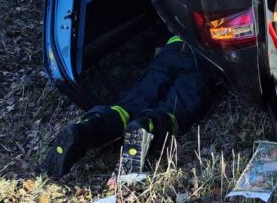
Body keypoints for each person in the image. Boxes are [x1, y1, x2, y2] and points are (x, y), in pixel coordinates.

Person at [43, 35, 221, 178]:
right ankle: (148, 124)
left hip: (173, 46)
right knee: (178, 105)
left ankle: (90, 126)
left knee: (136, 99)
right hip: (205, 54)